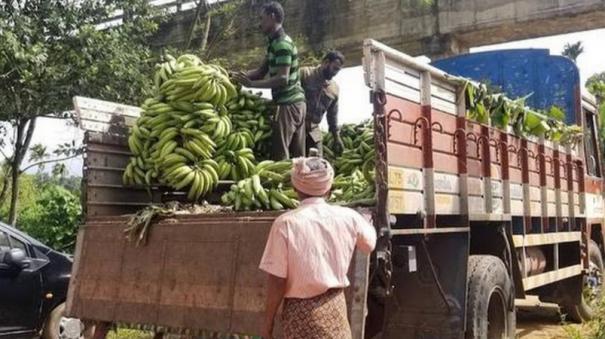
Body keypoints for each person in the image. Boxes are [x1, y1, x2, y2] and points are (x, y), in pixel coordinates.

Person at [259, 157, 377, 339]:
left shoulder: (285, 224)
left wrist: (267, 323)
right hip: (335, 308)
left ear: (295, 189)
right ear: (329, 188)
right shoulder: (348, 217)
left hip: (299, 314)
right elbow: (369, 245)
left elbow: (277, 281)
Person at [232, 1, 306, 160]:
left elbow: (282, 79)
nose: (260, 24)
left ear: (272, 17)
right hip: (294, 103)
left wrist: (252, 85)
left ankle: (283, 185)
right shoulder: (274, 44)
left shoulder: (282, 45)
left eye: (262, 19)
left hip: (289, 103)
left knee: (282, 154)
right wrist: (236, 76)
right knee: (298, 155)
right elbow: (260, 72)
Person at [300, 51, 346, 156]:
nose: (335, 73)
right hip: (298, 125)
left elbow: (332, 116)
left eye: (338, 70)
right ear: (325, 62)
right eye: (334, 68)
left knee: (317, 162)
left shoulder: (334, 89)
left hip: (314, 129)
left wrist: (336, 137)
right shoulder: (305, 74)